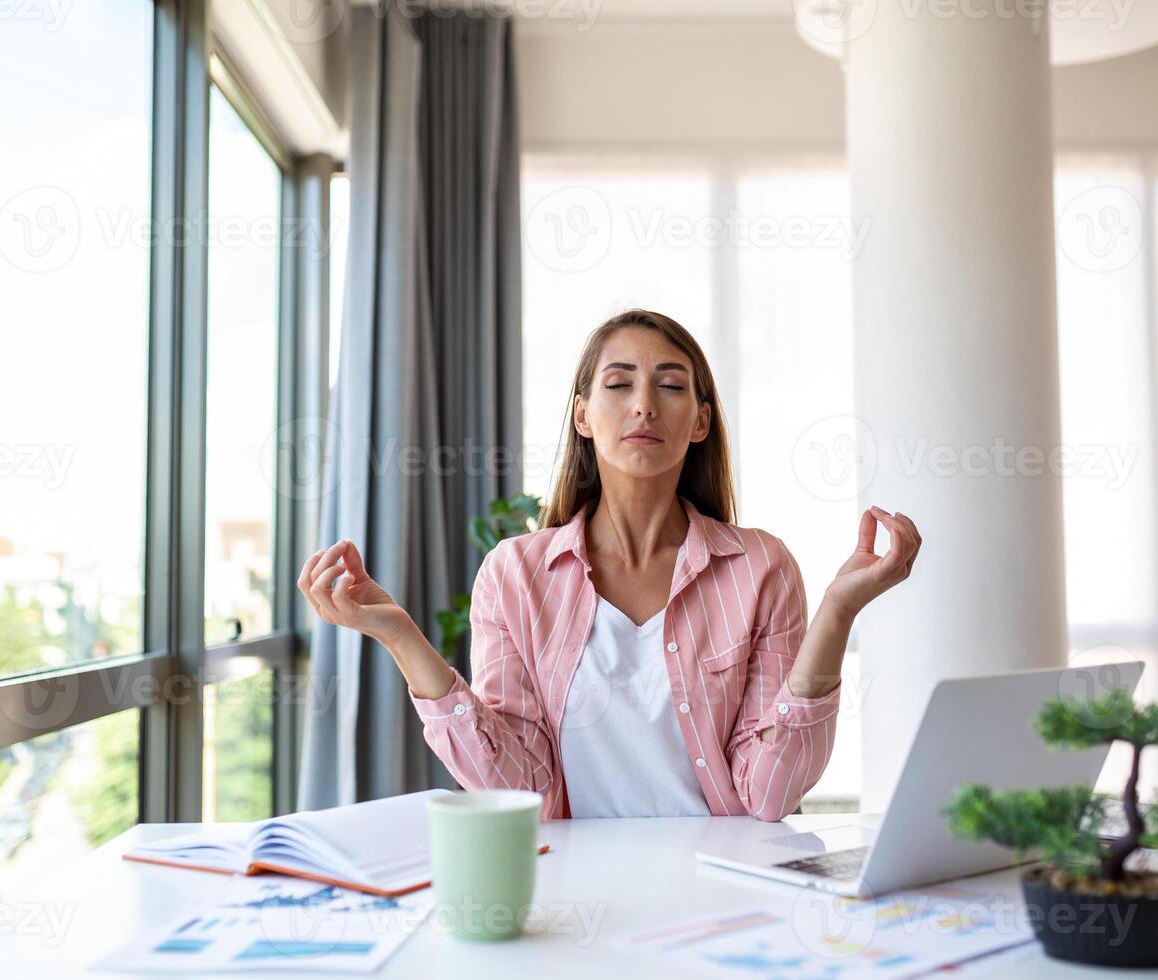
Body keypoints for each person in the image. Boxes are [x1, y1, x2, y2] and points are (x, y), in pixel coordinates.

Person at [299, 308, 921, 820]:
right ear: (582, 416)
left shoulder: (760, 566)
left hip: (727, 887)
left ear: (700, 420)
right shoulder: (515, 575)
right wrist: (401, 637)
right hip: (576, 889)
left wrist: (838, 613)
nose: (644, 405)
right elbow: (518, 791)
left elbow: (769, 795)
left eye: (672, 385)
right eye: (619, 384)